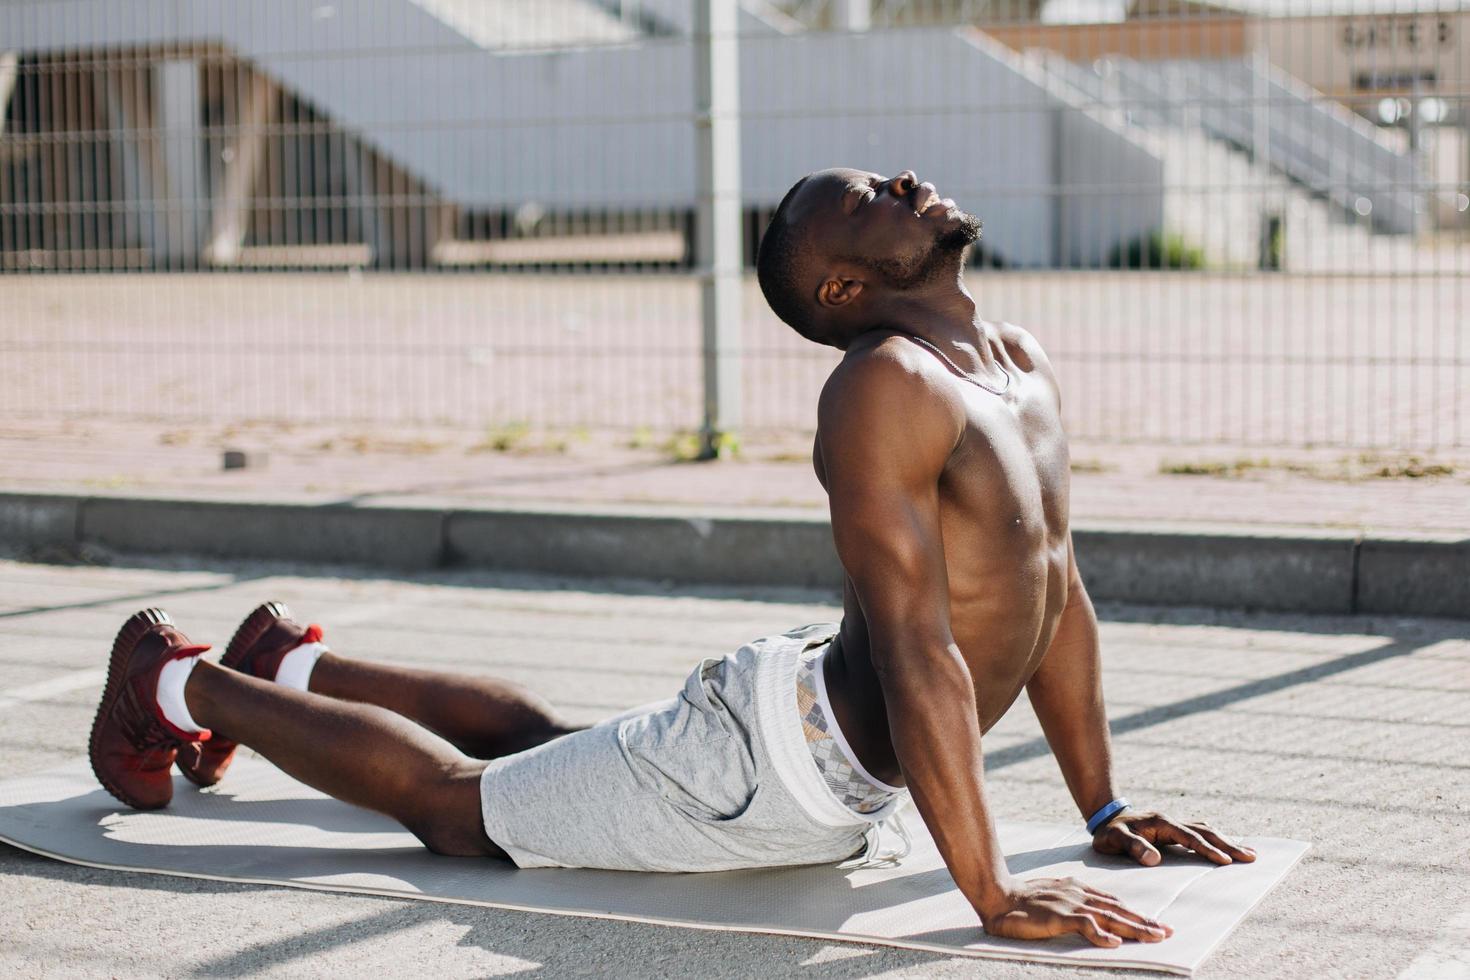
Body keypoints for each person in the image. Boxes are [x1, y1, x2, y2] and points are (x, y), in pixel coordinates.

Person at [90, 168, 1253, 950]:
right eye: (864, 203)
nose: (902, 185)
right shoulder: (885, 386)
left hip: (796, 741)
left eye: (886, 179)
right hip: (777, 766)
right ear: (842, 289)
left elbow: (1055, 590)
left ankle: (291, 664)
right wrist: (989, 890)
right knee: (463, 810)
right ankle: (170, 679)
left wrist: (1103, 796)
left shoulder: (1015, 357)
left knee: (561, 758)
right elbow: (917, 645)